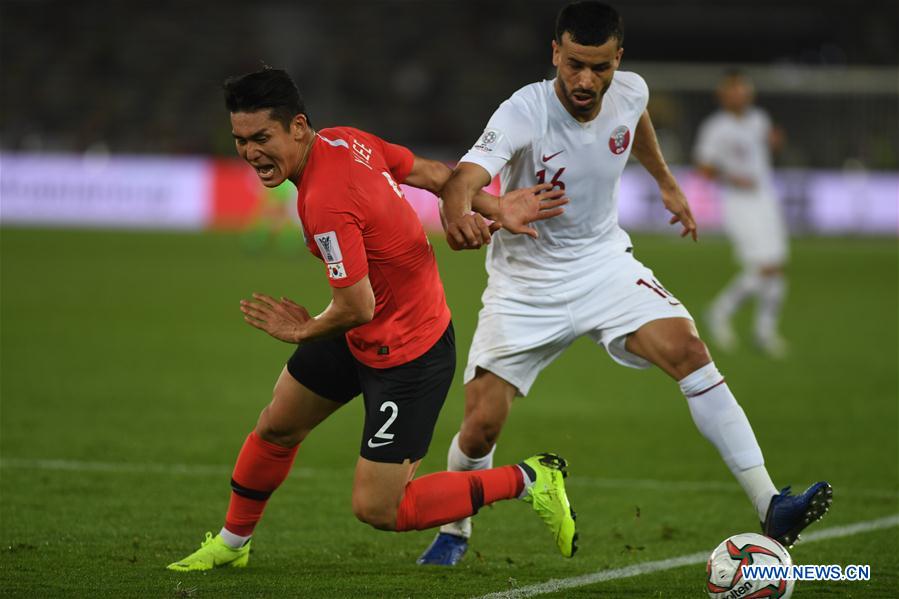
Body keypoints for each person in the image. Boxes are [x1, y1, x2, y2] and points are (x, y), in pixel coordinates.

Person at [418, 1, 831, 566]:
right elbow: (463, 178)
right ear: (555, 54)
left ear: (618, 60)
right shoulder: (524, 110)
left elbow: (634, 121)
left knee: (688, 349)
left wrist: (664, 181)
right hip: (525, 284)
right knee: (481, 426)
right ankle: (455, 530)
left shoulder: (632, 90)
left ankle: (769, 503)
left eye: (600, 68)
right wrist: (461, 215)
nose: (586, 81)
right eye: (574, 66)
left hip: (605, 264)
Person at [167, 67, 576, 571]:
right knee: (276, 427)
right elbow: (430, 174)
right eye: (240, 140)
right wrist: (492, 204)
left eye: (261, 137)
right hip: (356, 332)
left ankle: (531, 479)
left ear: (297, 126)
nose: (251, 153)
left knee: (380, 508)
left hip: (409, 352)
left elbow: (358, 304)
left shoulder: (323, 202)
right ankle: (232, 544)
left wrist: (299, 330)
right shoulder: (345, 140)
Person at [695, 70, 790, 357]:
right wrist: (732, 177)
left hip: (765, 198)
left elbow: (763, 152)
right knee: (763, 267)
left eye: (742, 89)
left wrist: (775, 143)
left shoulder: (759, 119)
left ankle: (764, 330)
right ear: (723, 95)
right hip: (738, 203)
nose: (739, 94)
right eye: (732, 90)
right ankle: (720, 312)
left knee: (777, 266)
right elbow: (704, 167)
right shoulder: (715, 127)